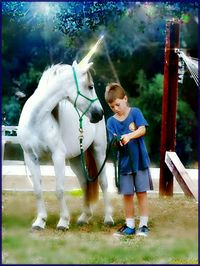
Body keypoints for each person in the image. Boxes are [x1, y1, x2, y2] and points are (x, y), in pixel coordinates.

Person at [104, 82, 153, 237]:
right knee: (127, 195)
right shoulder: (111, 122)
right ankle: (130, 225)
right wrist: (116, 141)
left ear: (125, 99)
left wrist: (129, 136)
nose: (116, 109)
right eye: (112, 107)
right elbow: (112, 141)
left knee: (141, 193)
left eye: (118, 104)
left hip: (140, 163)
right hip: (124, 165)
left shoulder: (135, 113)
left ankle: (143, 225)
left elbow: (142, 129)